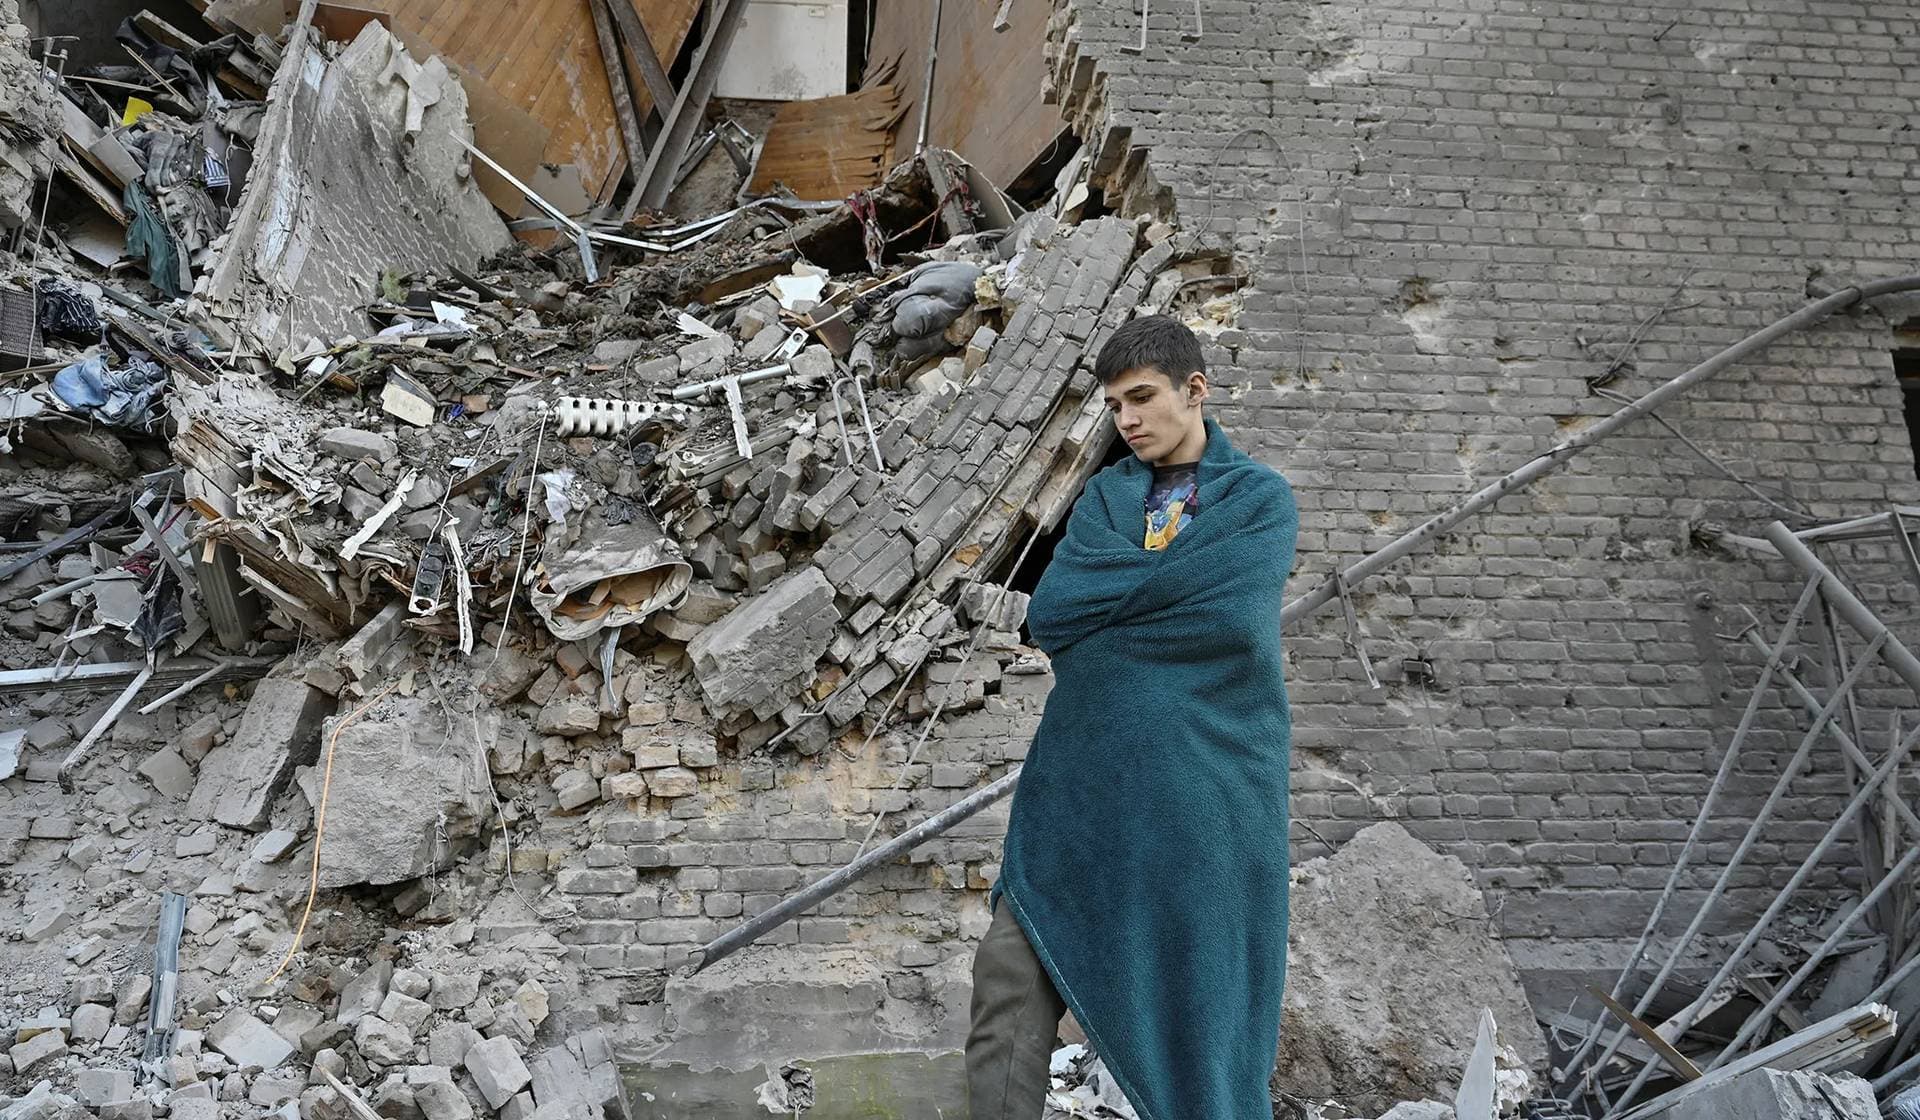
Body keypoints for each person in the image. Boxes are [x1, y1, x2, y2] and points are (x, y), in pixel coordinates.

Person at [966, 315, 1299, 1120]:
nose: (1127, 420)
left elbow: (1227, 624)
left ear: (1196, 390)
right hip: (1081, 787)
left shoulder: (1259, 501)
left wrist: (1122, 616)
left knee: (1201, 1011)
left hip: (1204, 797)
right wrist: (1158, 599)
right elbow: (1054, 613)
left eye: (1142, 398)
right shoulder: (1105, 499)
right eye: (1115, 406)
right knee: (1008, 981)